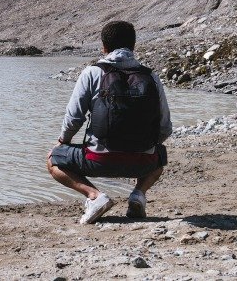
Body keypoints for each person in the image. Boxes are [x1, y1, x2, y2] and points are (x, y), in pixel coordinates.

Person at [47, 21, 172, 224]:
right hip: (143, 164)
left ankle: (95, 196)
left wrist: (63, 141)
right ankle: (138, 195)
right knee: (160, 157)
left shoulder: (92, 73)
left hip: (98, 161)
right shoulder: (151, 77)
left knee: (53, 159)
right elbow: (165, 127)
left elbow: (74, 118)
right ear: (133, 47)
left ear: (104, 47)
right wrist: (148, 147)